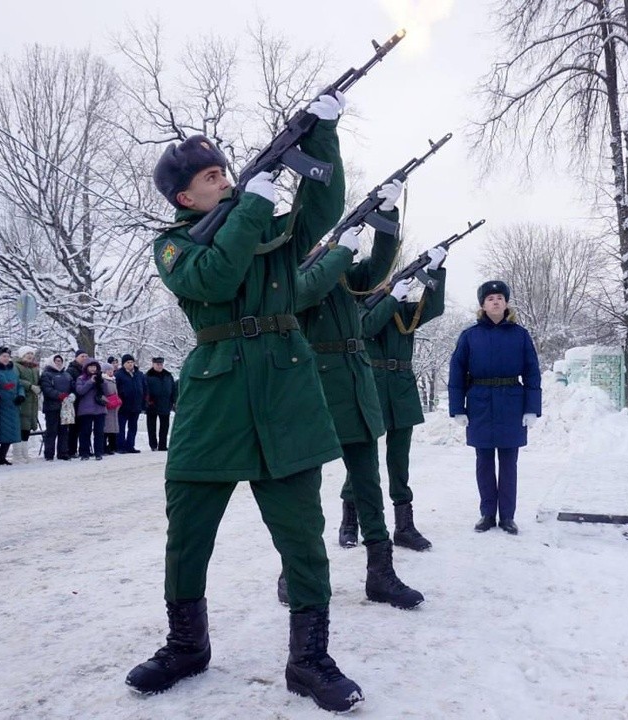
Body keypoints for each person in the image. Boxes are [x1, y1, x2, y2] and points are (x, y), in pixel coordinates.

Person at [126, 93, 364, 714]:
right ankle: (187, 645)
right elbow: (214, 279)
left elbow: (323, 207)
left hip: (285, 391)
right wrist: (254, 199)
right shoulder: (174, 247)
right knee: (188, 534)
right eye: (213, 178)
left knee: (304, 538)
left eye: (227, 171)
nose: (226, 181)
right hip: (215, 398)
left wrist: (323, 136)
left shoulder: (269, 230)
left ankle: (309, 658)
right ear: (185, 199)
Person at [292, 177, 423, 609]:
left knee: (368, 482)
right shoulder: (296, 272)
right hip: (318, 387)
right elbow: (309, 290)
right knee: (303, 491)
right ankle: (294, 570)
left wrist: (385, 216)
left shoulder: (345, 274)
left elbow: (380, 268)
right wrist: (338, 248)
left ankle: (380, 572)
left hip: (357, 382)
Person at [356, 245, 448, 551]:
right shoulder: (363, 306)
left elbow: (432, 309)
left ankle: (404, 525)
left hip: (402, 387)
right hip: (372, 386)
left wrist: (435, 269)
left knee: (400, 461)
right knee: (363, 459)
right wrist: (391, 297)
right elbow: (366, 328)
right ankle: (349, 517)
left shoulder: (404, 311)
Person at [448, 281, 542, 535]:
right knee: (484, 461)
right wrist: (458, 408)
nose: (495, 302)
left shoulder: (520, 335)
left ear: (506, 303)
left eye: (500, 297)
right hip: (480, 402)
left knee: (509, 462)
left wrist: (531, 408)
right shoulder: (470, 336)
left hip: (512, 401)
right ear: (482, 305)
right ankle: (488, 514)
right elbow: (457, 372)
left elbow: (532, 372)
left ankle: (508, 516)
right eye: (490, 298)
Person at [40, 354, 73, 461]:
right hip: (52, 407)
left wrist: (72, 394)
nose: (58, 363)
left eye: (60, 361)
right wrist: (59, 395)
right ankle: (49, 453)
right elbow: (47, 389)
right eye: (56, 361)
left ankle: (63, 452)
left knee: (64, 430)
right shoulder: (46, 374)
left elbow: (73, 385)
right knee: (51, 431)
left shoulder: (67, 374)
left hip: (65, 406)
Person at [75, 358, 106, 461]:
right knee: (85, 432)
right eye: (91, 367)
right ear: (86, 368)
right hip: (85, 410)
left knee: (99, 432)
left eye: (95, 367)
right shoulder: (81, 379)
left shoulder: (101, 378)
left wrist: (101, 381)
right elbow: (80, 391)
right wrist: (90, 382)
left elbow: (106, 391)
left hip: (100, 409)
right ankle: (84, 453)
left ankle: (98, 452)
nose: (93, 369)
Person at [114, 353, 146, 453]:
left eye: (132, 362)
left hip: (136, 405)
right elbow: (116, 390)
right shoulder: (119, 375)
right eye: (128, 362)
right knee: (121, 427)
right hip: (123, 406)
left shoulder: (139, 374)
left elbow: (144, 388)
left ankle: (130, 445)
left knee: (133, 427)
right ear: (123, 364)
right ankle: (120, 446)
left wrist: (143, 403)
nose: (130, 364)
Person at [15, 346, 41, 464]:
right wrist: (29, 386)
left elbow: (38, 381)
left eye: (31, 354)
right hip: (23, 399)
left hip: (33, 401)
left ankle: (25, 453)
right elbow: (16, 380)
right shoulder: (17, 366)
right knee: (21, 426)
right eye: (27, 354)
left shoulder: (35, 369)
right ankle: (18, 454)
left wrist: (39, 387)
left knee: (27, 428)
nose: (30, 356)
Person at [145, 356, 176, 451]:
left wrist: (173, 401)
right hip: (152, 404)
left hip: (165, 403)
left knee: (164, 426)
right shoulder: (148, 376)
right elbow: (145, 390)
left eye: (161, 364)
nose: (159, 366)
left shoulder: (168, 375)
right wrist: (148, 401)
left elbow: (173, 389)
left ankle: (162, 445)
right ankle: (153, 445)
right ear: (153, 364)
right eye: (157, 364)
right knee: (151, 426)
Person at [66, 349, 88, 457]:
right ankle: (71, 450)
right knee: (73, 427)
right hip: (75, 401)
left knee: (84, 427)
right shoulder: (71, 370)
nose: (84, 358)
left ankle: (83, 449)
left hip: (86, 402)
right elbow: (71, 384)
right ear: (76, 357)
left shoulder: (87, 370)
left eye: (85, 356)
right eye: (82, 356)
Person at [101, 362, 119, 455]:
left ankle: (111, 446)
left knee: (112, 428)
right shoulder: (103, 380)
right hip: (107, 406)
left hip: (114, 407)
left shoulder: (113, 380)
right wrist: (107, 401)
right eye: (109, 370)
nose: (111, 372)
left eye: (112, 370)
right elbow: (101, 393)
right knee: (105, 428)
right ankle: (104, 447)